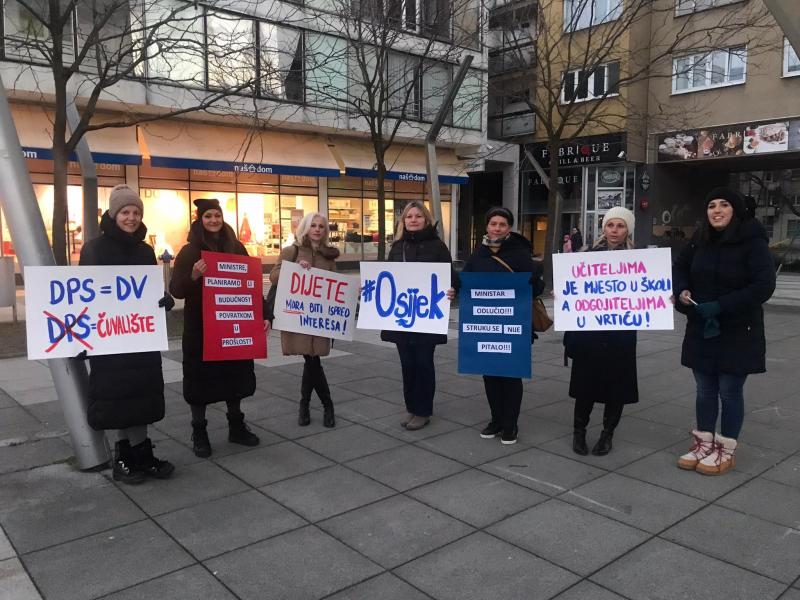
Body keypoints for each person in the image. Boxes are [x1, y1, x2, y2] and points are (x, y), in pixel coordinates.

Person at [673, 187, 775, 475]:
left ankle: (725, 449)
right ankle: (703, 443)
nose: (716, 210)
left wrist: (721, 305)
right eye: (711, 205)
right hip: (701, 326)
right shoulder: (699, 239)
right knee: (704, 389)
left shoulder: (753, 242)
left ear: (736, 210)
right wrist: (682, 291)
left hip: (738, 329)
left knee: (730, 390)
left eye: (724, 205)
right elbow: (679, 268)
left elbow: (763, 285)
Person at [79, 184, 174, 484]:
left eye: (135, 212)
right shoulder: (94, 249)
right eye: (125, 212)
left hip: (140, 337)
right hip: (110, 339)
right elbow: (84, 295)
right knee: (118, 398)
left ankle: (142, 454)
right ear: (113, 213)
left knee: (140, 397)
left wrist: (163, 300)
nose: (131, 218)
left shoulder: (145, 251)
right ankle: (123, 457)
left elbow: (148, 292)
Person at [170, 199, 265, 458]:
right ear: (200, 219)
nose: (214, 220)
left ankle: (236, 426)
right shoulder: (189, 252)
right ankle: (199, 431)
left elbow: (251, 284)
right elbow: (176, 289)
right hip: (201, 330)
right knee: (200, 383)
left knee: (235, 378)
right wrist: (193, 276)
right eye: (208, 216)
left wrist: (264, 313)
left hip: (233, 327)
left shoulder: (236, 247)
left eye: (217, 216)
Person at [463, 206, 544, 445]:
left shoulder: (520, 253)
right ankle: (496, 420)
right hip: (486, 325)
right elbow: (465, 282)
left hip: (514, 326)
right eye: (493, 224)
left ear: (509, 227)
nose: (497, 228)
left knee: (510, 376)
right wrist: (452, 289)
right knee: (490, 376)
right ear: (486, 227)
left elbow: (537, 287)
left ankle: (511, 424)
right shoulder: (478, 254)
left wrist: (531, 282)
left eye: (502, 224)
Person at [564, 207, 638, 456]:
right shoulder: (586, 254)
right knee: (585, 386)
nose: (614, 230)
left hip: (620, 333)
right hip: (590, 333)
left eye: (620, 226)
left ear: (628, 229)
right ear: (603, 228)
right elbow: (573, 287)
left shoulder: (638, 260)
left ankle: (607, 435)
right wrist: (564, 293)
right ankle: (579, 432)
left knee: (616, 388)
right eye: (610, 225)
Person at [381, 201, 456, 431]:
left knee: (423, 362)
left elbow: (451, 277)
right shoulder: (396, 247)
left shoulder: (438, 247)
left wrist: (452, 290)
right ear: (403, 222)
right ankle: (412, 407)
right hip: (402, 317)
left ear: (426, 219)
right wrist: (372, 289)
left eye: (418, 216)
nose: (413, 220)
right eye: (408, 217)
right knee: (407, 364)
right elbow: (387, 278)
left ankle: (423, 411)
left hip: (426, 318)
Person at [269, 213, 339, 428]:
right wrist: (295, 268)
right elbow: (273, 276)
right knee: (312, 361)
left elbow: (334, 287)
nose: (317, 229)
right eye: (313, 225)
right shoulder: (292, 250)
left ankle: (306, 405)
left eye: (321, 226)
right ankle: (327, 406)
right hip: (298, 317)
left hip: (319, 318)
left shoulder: (329, 257)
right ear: (305, 229)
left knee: (312, 361)